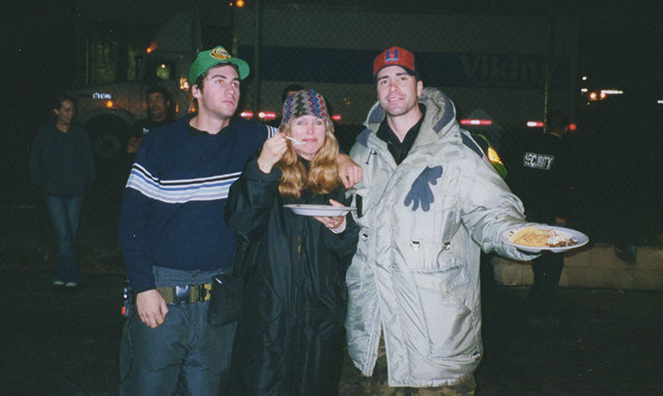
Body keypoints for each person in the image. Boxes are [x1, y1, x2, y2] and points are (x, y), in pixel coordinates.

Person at [117, 46, 362, 396]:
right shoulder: (160, 142)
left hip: (221, 295)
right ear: (196, 90)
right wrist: (143, 286)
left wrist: (341, 157)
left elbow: (306, 138)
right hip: (164, 291)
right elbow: (132, 222)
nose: (232, 89)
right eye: (219, 81)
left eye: (235, 82)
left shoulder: (250, 135)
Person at [345, 46, 537, 395]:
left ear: (420, 87)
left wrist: (516, 235)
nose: (393, 87)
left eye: (402, 78)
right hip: (377, 333)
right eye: (384, 80)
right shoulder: (362, 152)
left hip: (437, 334)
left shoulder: (459, 151)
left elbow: (492, 211)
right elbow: (352, 225)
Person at [224, 89, 358, 396]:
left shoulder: (338, 179)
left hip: (319, 317)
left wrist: (341, 228)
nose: (310, 131)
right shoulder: (266, 170)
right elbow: (241, 225)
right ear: (286, 130)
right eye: (301, 122)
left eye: (318, 122)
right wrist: (262, 169)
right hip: (268, 312)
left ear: (328, 130)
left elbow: (347, 257)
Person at [509, 109, 574, 329]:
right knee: (553, 264)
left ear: (547, 124)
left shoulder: (532, 145)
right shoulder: (564, 150)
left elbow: (518, 176)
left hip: (529, 211)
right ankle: (539, 311)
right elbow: (563, 187)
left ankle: (536, 304)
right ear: (565, 128)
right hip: (549, 214)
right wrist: (561, 216)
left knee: (540, 261)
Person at [30, 94, 95, 288]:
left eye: (73, 110)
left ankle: (61, 274)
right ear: (56, 111)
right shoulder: (46, 132)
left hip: (75, 190)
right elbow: (36, 157)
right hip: (53, 191)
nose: (70, 113)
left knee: (69, 234)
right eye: (66, 110)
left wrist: (88, 178)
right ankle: (70, 275)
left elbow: (87, 157)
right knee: (63, 233)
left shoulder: (79, 132)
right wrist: (39, 179)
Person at [126, 86, 174, 154]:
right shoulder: (140, 124)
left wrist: (143, 141)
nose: (154, 104)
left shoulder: (175, 125)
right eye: (150, 101)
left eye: (158, 100)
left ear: (167, 103)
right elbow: (131, 148)